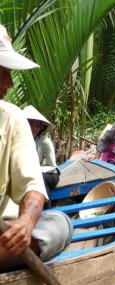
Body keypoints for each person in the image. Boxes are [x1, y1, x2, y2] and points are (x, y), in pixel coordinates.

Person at [0, 24, 72, 270]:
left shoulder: (11, 118)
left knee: (59, 223)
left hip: (4, 236)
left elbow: (33, 185)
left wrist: (26, 223)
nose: (8, 83)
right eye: (2, 72)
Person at [22, 105, 59, 208]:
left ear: (42, 127)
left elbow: (52, 166)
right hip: (26, 174)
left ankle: (46, 211)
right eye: (31, 123)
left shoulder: (44, 142)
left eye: (37, 124)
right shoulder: (16, 141)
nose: (34, 127)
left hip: (48, 174)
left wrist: (34, 171)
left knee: (39, 179)